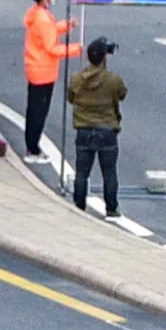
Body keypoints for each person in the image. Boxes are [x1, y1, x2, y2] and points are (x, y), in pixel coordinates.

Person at [67, 36, 127, 218]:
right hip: (107, 130)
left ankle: (79, 205)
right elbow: (122, 94)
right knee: (109, 173)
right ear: (104, 58)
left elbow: (71, 98)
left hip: (84, 130)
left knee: (82, 172)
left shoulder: (77, 79)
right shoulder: (113, 79)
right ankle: (111, 208)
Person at [22, 0, 80, 163]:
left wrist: (65, 26)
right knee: (39, 112)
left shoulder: (36, 15)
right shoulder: (43, 19)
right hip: (43, 71)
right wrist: (75, 49)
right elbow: (52, 48)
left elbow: (49, 33)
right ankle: (33, 149)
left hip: (36, 68)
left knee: (34, 110)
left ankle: (32, 146)